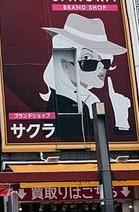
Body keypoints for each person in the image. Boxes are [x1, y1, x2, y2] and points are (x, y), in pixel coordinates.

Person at [40, 14, 132, 142]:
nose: (101, 67)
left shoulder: (85, 101)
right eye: (87, 59)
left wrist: (121, 119)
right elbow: (86, 148)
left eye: (104, 61)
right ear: (65, 64)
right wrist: (121, 123)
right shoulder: (64, 105)